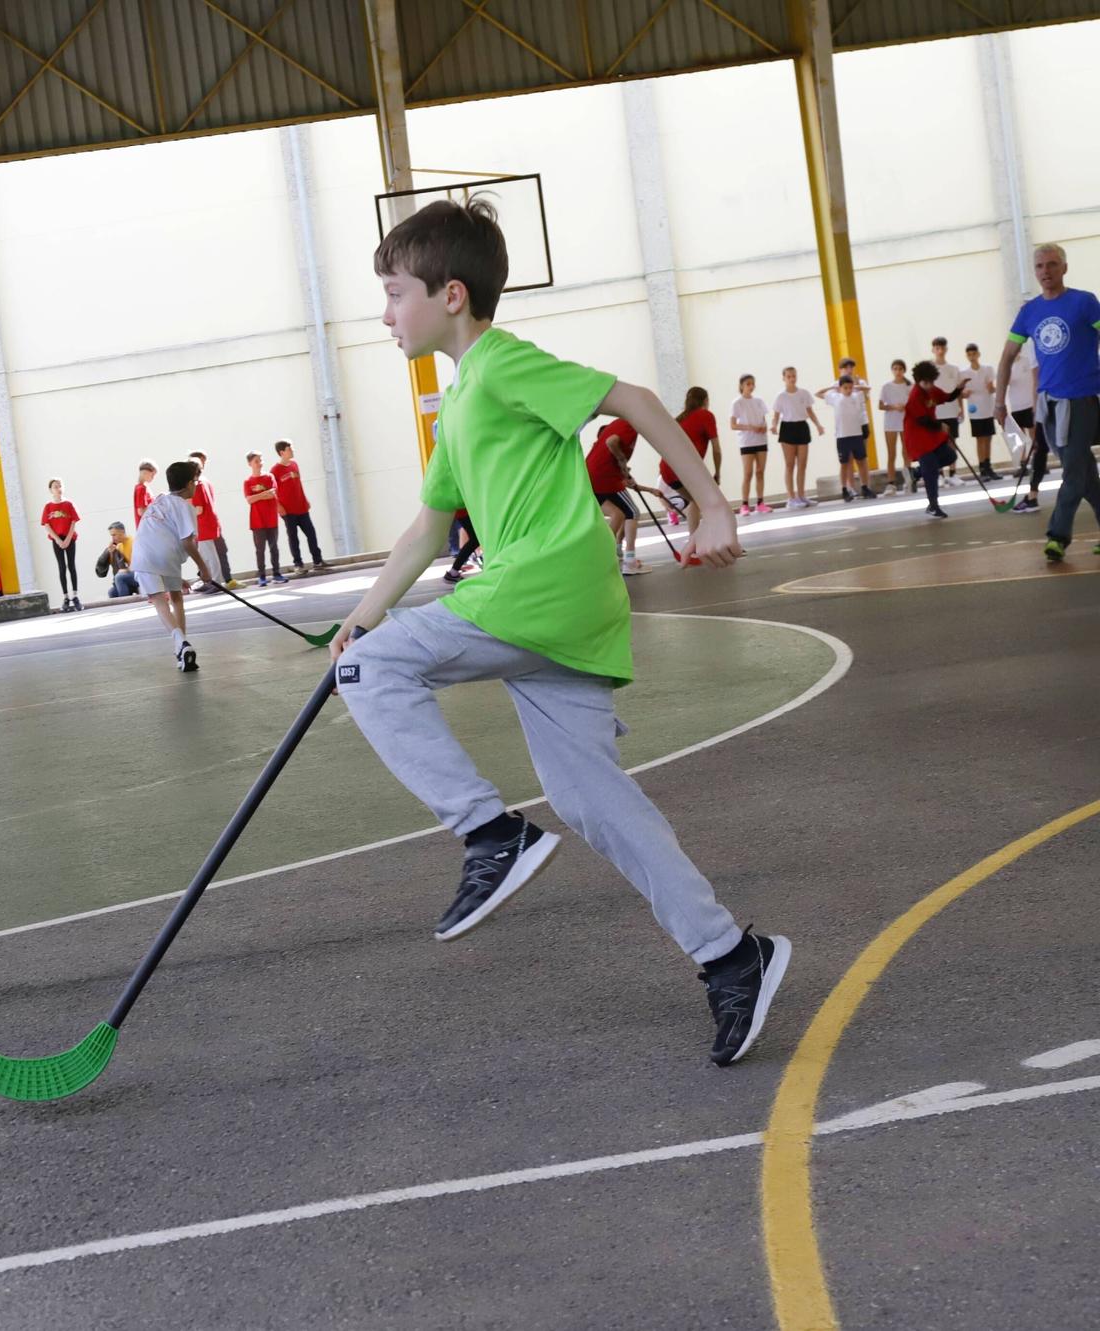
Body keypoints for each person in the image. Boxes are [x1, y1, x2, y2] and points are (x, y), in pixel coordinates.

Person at [334, 197, 784, 1068]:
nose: (386, 315)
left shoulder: (501, 364)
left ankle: (488, 832)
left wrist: (713, 502)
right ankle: (733, 958)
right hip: (557, 612)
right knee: (592, 801)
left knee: (376, 673)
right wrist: (362, 612)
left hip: (538, 589)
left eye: (395, 294)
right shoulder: (461, 400)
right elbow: (429, 529)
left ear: (452, 295)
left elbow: (635, 399)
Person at [995, 241, 1100, 562]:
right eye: (1040, 266)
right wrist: (999, 401)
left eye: (1052, 265)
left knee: (1072, 470)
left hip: (1082, 399)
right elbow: (1007, 356)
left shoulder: (1084, 302)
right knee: (1086, 474)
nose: (1046, 271)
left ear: (1064, 268)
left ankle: (1058, 536)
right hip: (1048, 404)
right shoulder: (1029, 311)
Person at [132, 459, 215, 672]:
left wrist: (177, 576)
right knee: (176, 598)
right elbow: (187, 542)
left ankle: (181, 645)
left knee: (161, 601)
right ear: (188, 484)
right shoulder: (184, 507)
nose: (196, 485)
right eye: (195, 481)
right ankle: (182, 643)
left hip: (143, 552)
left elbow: (158, 534)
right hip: (164, 555)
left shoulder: (159, 500)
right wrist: (204, 568)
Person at [586, 416, 661, 575]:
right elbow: (611, 442)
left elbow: (626, 481)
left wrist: (650, 490)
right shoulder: (629, 424)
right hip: (603, 479)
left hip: (592, 478)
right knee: (632, 512)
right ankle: (630, 561)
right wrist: (622, 461)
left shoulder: (616, 430)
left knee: (618, 515)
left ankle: (602, 554)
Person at [662, 387, 723, 544]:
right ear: (705, 401)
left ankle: (694, 543)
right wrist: (717, 472)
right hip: (684, 469)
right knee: (711, 502)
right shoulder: (706, 415)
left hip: (667, 469)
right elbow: (716, 449)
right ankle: (719, 541)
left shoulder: (680, 418)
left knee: (697, 501)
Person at [903, 360, 961, 518]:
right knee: (931, 468)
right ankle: (933, 506)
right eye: (925, 383)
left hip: (931, 433)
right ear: (918, 380)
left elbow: (947, 397)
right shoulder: (915, 396)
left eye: (931, 382)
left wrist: (959, 388)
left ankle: (915, 473)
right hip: (917, 436)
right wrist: (941, 425)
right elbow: (923, 421)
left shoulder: (932, 389)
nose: (929, 385)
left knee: (950, 456)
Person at [818, 373, 877, 502]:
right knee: (844, 463)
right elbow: (818, 393)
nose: (848, 390)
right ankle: (844, 489)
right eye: (845, 388)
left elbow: (868, 389)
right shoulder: (835, 397)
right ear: (840, 388)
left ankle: (865, 487)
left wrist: (855, 386)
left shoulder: (856, 396)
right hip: (843, 436)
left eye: (850, 388)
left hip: (856, 435)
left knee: (861, 461)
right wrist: (832, 388)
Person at [769, 366, 822, 508]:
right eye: (789, 376)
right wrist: (774, 425)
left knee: (802, 464)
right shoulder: (781, 396)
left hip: (802, 427)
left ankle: (801, 495)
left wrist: (818, 425)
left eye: (794, 376)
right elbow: (776, 415)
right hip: (788, 428)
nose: (792, 378)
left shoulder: (804, 393)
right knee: (790, 464)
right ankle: (791, 498)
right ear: (784, 378)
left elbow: (810, 411)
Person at [272, 440, 327, 574]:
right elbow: (273, 491)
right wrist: (278, 506)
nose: (292, 451)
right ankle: (298, 564)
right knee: (293, 537)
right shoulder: (275, 470)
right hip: (288, 511)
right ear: (282, 452)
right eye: (289, 449)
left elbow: (298, 484)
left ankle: (317, 560)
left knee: (311, 533)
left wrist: (305, 499)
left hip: (301, 508)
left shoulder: (295, 465)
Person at [186, 450, 236, 590]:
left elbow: (199, 509)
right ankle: (209, 581)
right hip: (209, 523)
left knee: (209, 556)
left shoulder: (197, 485)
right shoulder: (205, 481)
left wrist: (186, 512)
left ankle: (216, 582)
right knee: (207, 555)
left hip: (204, 525)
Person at [1005, 339, 1045, 513]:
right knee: (1041, 449)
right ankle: (1032, 495)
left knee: (1043, 448)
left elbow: (1036, 379)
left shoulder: (1031, 355)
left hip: (1051, 402)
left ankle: (1032, 495)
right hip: (1040, 404)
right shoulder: (1035, 346)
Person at [242, 451, 288, 585]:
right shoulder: (247, 481)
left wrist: (258, 496)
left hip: (271, 518)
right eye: (256, 461)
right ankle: (262, 576)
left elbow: (273, 493)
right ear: (250, 463)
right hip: (257, 521)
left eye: (260, 460)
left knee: (274, 547)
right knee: (260, 549)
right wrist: (264, 494)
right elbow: (249, 499)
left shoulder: (269, 477)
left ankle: (276, 573)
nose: (259, 463)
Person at [731, 373, 772, 513]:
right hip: (746, 442)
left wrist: (764, 427)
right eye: (748, 384)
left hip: (761, 440)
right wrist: (750, 427)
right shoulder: (737, 403)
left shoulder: (759, 401)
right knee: (748, 473)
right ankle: (744, 504)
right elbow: (733, 425)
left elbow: (763, 419)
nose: (751, 386)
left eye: (752, 383)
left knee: (760, 472)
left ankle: (760, 503)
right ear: (742, 385)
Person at [40, 478, 83, 612]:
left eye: (59, 486)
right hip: (57, 539)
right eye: (55, 486)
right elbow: (46, 524)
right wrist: (57, 540)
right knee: (61, 567)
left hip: (69, 538)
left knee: (71, 565)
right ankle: (65, 596)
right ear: (50, 490)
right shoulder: (48, 506)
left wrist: (68, 539)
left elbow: (73, 522)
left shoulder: (68, 504)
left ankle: (75, 596)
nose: (58, 488)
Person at [959, 342, 1000, 481]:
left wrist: (991, 388)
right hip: (975, 409)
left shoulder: (988, 369)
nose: (972, 356)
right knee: (980, 438)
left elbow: (993, 388)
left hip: (987, 407)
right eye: (969, 354)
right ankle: (982, 468)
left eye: (974, 354)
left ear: (978, 354)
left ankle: (989, 466)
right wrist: (965, 393)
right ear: (967, 356)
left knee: (988, 437)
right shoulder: (964, 373)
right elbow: (961, 392)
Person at [930, 337, 963, 482]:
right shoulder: (929, 369)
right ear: (933, 350)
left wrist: (961, 408)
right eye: (937, 348)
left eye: (942, 348)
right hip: (936, 413)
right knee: (936, 443)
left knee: (952, 442)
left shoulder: (954, 369)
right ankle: (940, 474)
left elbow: (958, 390)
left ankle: (953, 473)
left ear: (946, 349)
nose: (940, 351)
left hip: (952, 411)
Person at [877, 359, 912, 493]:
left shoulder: (910, 386)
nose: (898, 372)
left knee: (906, 452)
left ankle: (908, 481)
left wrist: (905, 407)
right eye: (895, 369)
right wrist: (893, 407)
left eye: (900, 369)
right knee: (892, 453)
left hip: (905, 422)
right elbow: (880, 405)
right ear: (892, 370)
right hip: (891, 423)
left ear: (904, 370)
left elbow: (914, 404)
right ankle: (891, 483)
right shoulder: (886, 386)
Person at [96, 521, 137, 597]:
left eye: (114, 535)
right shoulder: (119, 546)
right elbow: (117, 569)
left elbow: (141, 563)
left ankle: (125, 604)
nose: (112, 538)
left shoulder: (134, 542)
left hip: (141, 573)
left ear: (122, 532)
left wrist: (127, 570)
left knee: (119, 577)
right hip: (132, 575)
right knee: (112, 592)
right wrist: (112, 553)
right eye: (111, 535)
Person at [133, 460, 158, 529]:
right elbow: (141, 511)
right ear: (145, 472)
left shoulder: (140, 487)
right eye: (152, 475)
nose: (153, 478)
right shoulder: (141, 488)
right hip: (146, 528)